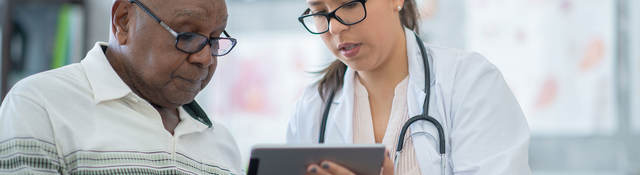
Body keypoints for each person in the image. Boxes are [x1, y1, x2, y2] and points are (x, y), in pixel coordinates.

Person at [286, 0, 531, 174]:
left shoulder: (470, 84)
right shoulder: (311, 110)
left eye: (350, 4)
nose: (334, 27)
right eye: (319, 12)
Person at [0, 0, 242, 174]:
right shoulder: (41, 106)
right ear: (124, 21)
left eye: (214, 39)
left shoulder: (222, 142)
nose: (206, 59)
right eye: (187, 36)